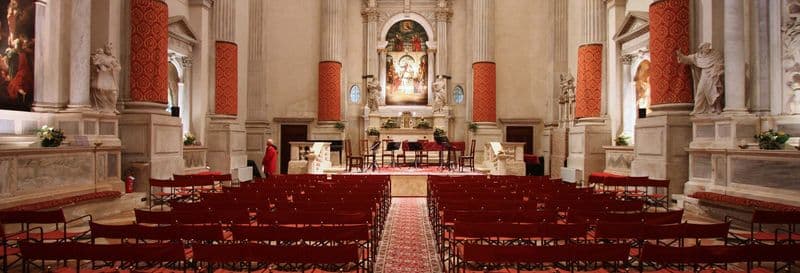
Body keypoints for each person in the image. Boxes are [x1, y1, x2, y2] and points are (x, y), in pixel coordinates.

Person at [676, 43, 724, 115]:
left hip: (713, 76)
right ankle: (698, 109)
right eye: (706, 47)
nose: (708, 48)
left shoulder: (715, 54)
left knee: (715, 91)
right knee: (700, 92)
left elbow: (720, 63)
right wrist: (680, 55)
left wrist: (717, 70)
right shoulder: (697, 56)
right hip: (704, 76)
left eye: (708, 46)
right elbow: (687, 59)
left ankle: (717, 108)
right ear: (701, 49)